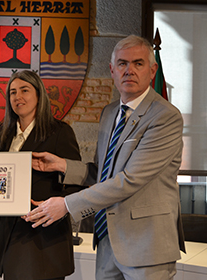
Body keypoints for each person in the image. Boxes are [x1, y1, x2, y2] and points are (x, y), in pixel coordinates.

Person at [25, 35, 186, 280]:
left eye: (138, 63)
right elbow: (102, 172)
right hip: (108, 240)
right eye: (122, 63)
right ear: (112, 70)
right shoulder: (110, 113)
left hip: (146, 245)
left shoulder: (165, 117)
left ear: (152, 70)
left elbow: (129, 180)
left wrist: (66, 205)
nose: (129, 70)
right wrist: (62, 165)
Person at [0, 70, 82, 280]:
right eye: (12, 92)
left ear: (39, 96)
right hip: (11, 235)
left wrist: (59, 204)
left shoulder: (59, 132)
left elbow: (77, 181)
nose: (17, 97)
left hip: (45, 237)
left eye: (25, 90)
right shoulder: (3, 134)